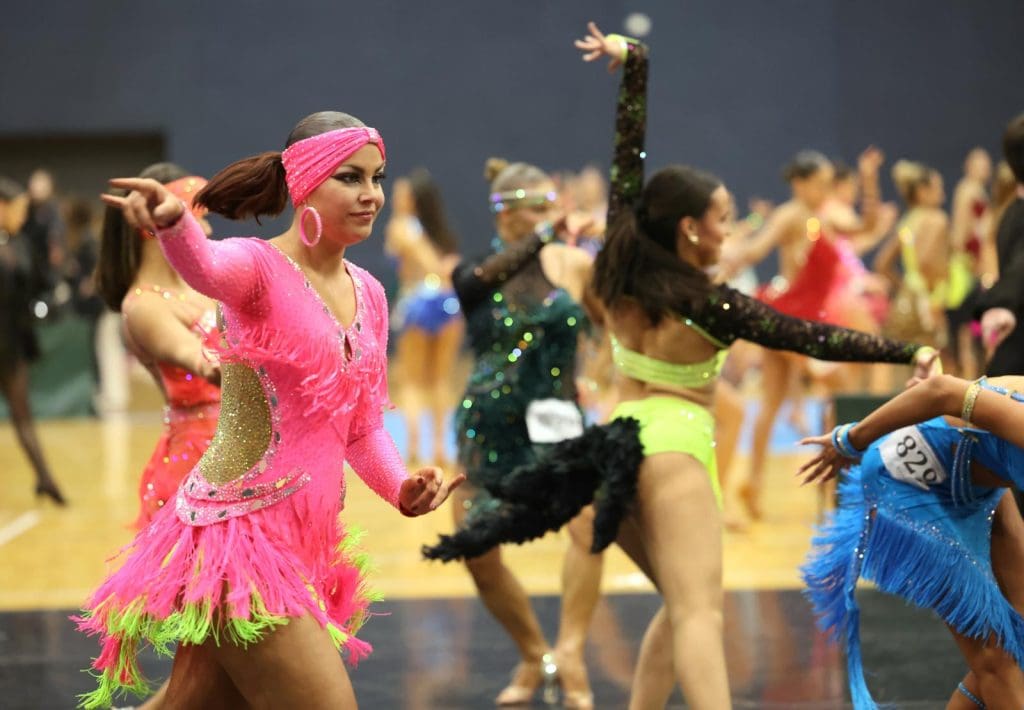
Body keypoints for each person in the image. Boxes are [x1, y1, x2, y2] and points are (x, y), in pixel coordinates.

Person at [425, 24, 939, 710]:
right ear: (691, 227)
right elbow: (810, 336)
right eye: (722, 218)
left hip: (616, 446)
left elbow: (626, 162)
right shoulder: (711, 302)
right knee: (701, 612)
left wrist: (634, 65)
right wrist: (907, 351)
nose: (730, 229)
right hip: (674, 449)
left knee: (679, 605)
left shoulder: (621, 267)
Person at [76, 111, 463, 709]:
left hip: (305, 541)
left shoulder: (371, 292)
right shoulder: (256, 267)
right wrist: (176, 223)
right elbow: (206, 266)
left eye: (377, 178)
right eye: (351, 178)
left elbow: (362, 426)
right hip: (238, 538)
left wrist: (400, 486)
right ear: (304, 183)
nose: (371, 195)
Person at [442, 153, 601, 707]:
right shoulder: (474, 270)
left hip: (557, 418)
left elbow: (611, 323)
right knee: (476, 548)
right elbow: (478, 284)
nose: (544, 218)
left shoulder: (573, 264)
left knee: (587, 525)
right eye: (535, 209)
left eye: (548, 208)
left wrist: (601, 377)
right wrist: (546, 235)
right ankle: (535, 653)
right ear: (505, 213)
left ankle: (572, 651)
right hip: (489, 423)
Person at [799, 373, 1024, 709]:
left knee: (1018, 646)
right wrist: (850, 439)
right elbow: (941, 390)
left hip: (977, 480)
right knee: (997, 659)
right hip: (908, 483)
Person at [95, 163, 222, 528]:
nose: (208, 230)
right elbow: (200, 360)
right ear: (156, 224)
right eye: (199, 218)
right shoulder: (144, 306)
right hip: (199, 468)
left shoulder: (202, 286)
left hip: (239, 455)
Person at [385, 169, 462, 467]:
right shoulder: (439, 233)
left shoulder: (401, 226)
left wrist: (433, 269)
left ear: (412, 200)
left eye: (400, 194)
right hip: (447, 302)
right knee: (441, 379)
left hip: (418, 302)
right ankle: (441, 448)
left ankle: (415, 447)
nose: (394, 198)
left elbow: (422, 260)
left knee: (413, 381)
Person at [0, 176, 66, 505]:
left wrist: (47, 302)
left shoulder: (19, 243)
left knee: (22, 413)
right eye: (18, 208)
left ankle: (45, 478)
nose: (23, 215)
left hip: (12, 344)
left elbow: (37, 285)